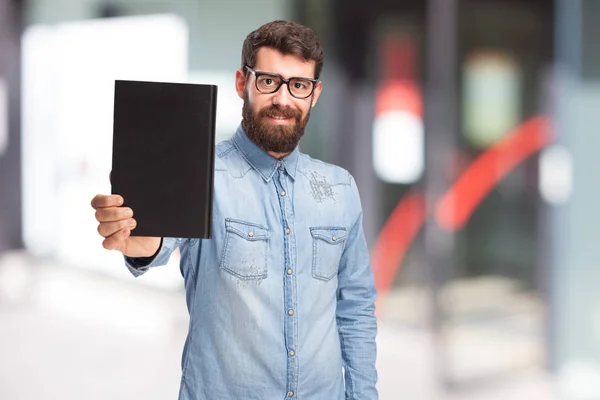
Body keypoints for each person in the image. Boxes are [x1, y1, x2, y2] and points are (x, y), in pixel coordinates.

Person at [91, 20, 378, 400]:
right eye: (268, 81)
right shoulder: (200, 174)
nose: (283, 98)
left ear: (315, 93)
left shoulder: (341, 188)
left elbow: (355, 310)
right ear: (242, 83)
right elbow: (153, 243)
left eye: (299, 85)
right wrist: (135, 238)